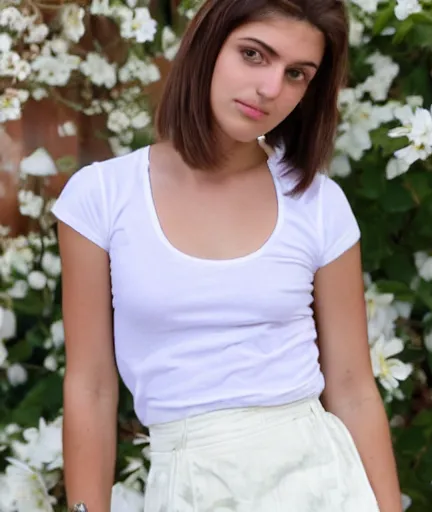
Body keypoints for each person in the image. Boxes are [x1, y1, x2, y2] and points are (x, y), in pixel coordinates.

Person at [53, 0, 403, 511]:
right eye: (254, 54)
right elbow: (91, 386)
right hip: (189, 483)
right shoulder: (101, 197)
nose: (271, 89)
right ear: (208, 43)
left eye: (297, 74)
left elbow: (352, 388)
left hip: (325, 483)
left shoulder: (318, 203)